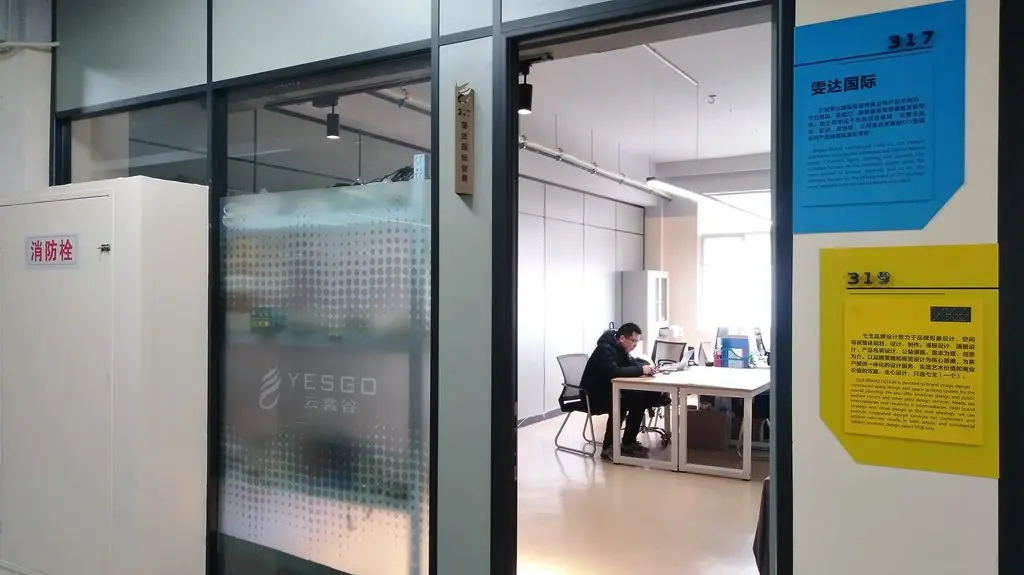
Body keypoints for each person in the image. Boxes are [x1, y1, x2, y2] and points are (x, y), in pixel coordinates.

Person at [579, 323, 667, 460]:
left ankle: (628, 443)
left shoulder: (620, 349)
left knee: (639, 398)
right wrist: (641, 370)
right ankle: (608, 447)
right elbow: (613, 372)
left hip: (609, 391)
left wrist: (647, 367)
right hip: (592, 396)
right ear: (622, 338)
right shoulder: (604, 350)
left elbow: (631, 363)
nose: (635, 345)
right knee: (621, 403)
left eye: (637, 341)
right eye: (633, 340)